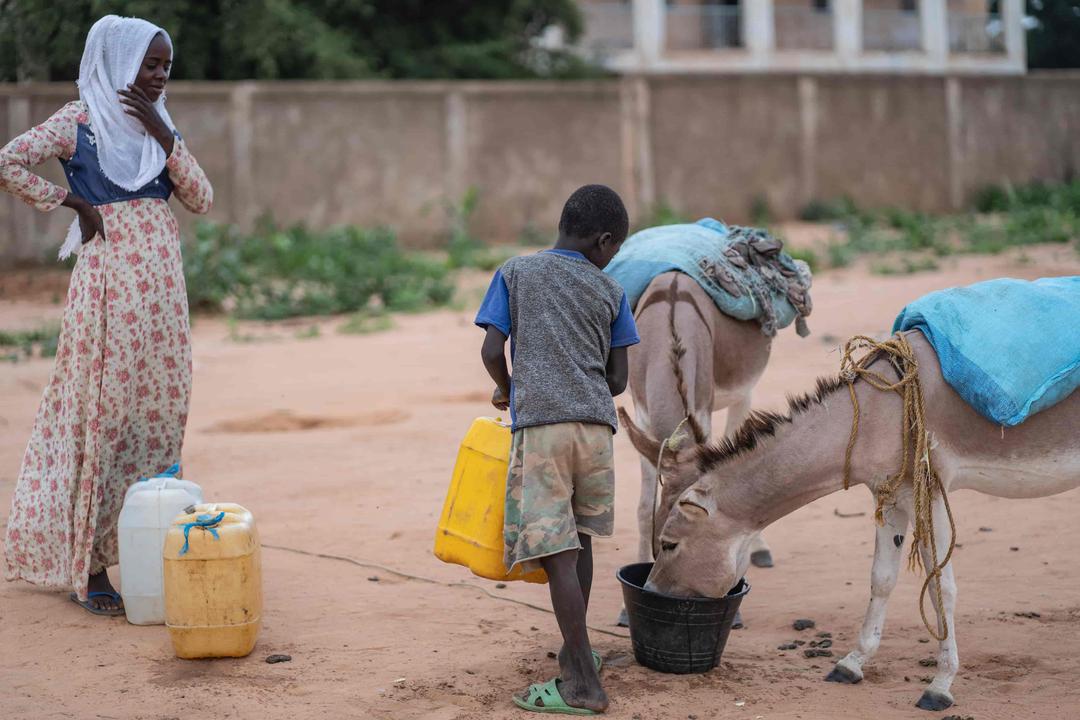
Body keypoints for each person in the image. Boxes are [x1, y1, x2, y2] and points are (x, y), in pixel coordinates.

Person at [0, 16, 212, 616]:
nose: (159, 75)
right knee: (105, 411)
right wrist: (70, 202)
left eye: (165, 65)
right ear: (117, 63)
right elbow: (8, 162)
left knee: (160, 410)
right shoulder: (80, 119)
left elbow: (200, 198)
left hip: (163, 293)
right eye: (149, 64)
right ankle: (90, 567)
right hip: (108, 287)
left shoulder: (159, 127)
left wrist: (162, 133)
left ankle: (142, 551)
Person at [475, 184, 639, 715]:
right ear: (603, 240)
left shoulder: (515, 272)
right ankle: (576, 657)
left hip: (542, 428)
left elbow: (491, 349)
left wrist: (509, 387)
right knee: (582, 540)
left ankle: (584, 685)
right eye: (613, 251)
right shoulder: (611, 292)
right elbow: (617, 379)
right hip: (596, 431)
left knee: (558, 554)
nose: (611, 259)